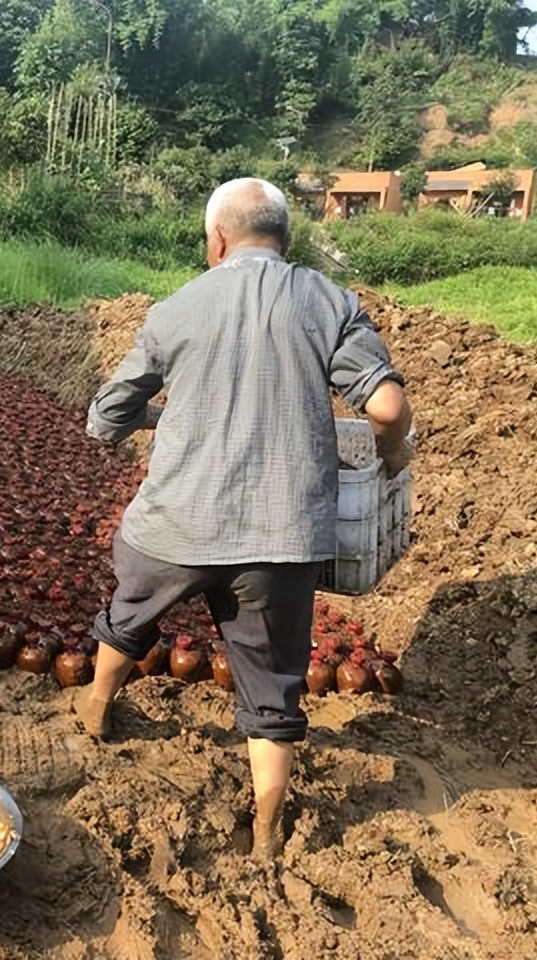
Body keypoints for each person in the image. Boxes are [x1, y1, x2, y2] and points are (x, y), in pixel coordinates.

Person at [78, 178, 413, 861]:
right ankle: (266, 830)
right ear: (287, 239)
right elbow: (385, 409)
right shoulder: (328, 301)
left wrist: (160, 418)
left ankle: (93, 711)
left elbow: (104, 420)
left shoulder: (176, 309)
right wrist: (391, 457)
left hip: (176, 523)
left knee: (130, 613)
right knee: (272, 683)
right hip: (281, 537)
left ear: (217, 240)